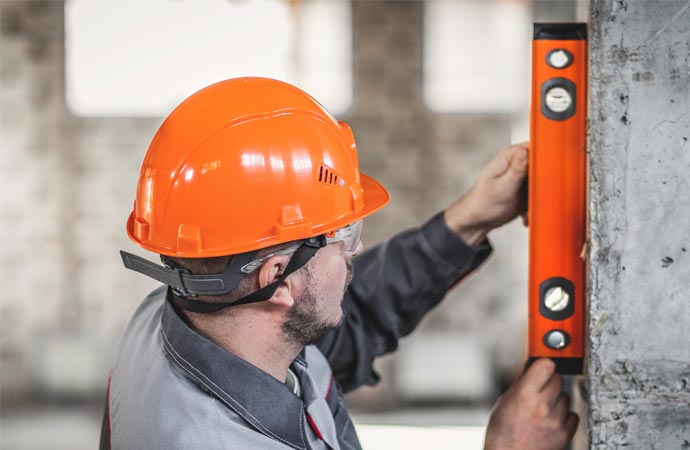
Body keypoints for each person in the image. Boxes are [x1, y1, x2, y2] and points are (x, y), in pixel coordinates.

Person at [101, 77, 577, 450]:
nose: (353, 248)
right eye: (342, 235)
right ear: (276, 279)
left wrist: (467, 222)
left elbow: (352, 316)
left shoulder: (190, 314)